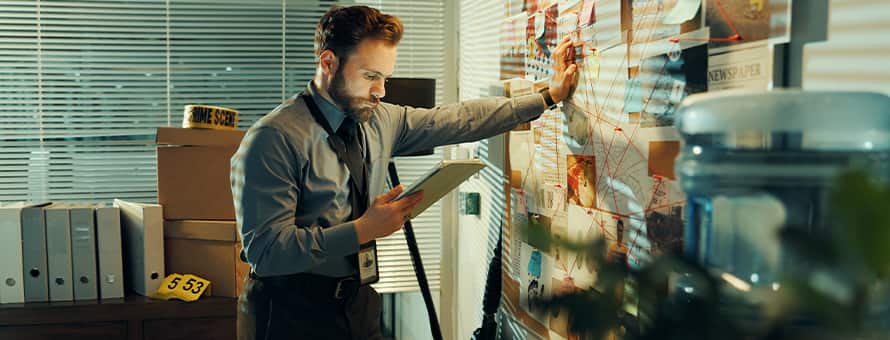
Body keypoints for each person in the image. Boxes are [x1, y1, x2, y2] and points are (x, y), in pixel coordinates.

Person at [231, 5, 578, 339]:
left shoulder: (380, 118)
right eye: (369, 76)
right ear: (328, 62)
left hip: (359, 301)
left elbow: (459, 119)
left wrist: (548, 96)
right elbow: (267, 252)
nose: (381, 91)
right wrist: (363, 230)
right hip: (290, 311)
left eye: (385, 77)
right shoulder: (274, 138)